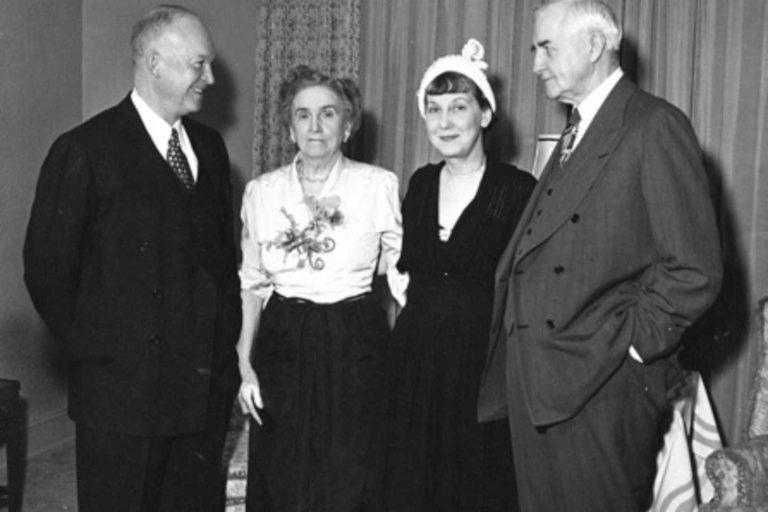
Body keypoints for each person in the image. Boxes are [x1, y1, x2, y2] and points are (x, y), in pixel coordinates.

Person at [476, 1, 723, 510]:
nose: (536, 64)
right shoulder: (578, 128)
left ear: (593, 45)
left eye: (547, 48)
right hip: (539, 384)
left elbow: (694, 268)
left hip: (601, 387)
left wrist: (628, 350)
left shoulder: (653, 124)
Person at [23, 6, 241, 511]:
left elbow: (222, 266)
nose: (210, 78)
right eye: (199, 64)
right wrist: (106, 356)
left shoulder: (210, 149)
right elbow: (47, 272)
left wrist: (223, 361)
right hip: (122, 401)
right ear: (155, 62)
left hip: (200, 397)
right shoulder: (84, 149)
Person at [236, 65, 403, 511]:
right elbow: (252, 285)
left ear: (347, 125)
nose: (315, 126)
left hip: (355, 338)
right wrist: (245, 365)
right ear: (289, 127)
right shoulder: (261, 193)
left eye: (328, 113)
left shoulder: (377, 185)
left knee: (352, 473)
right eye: (303, 114)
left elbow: (402, 277)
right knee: (283, 471)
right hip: (283, 338)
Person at [383, 39, 536, 511]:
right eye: (434, 109)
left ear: (485, 114)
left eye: (458, 107)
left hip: (480, 369)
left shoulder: (517, 189)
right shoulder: (420, 183)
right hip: (412, 363)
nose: (445, 122)